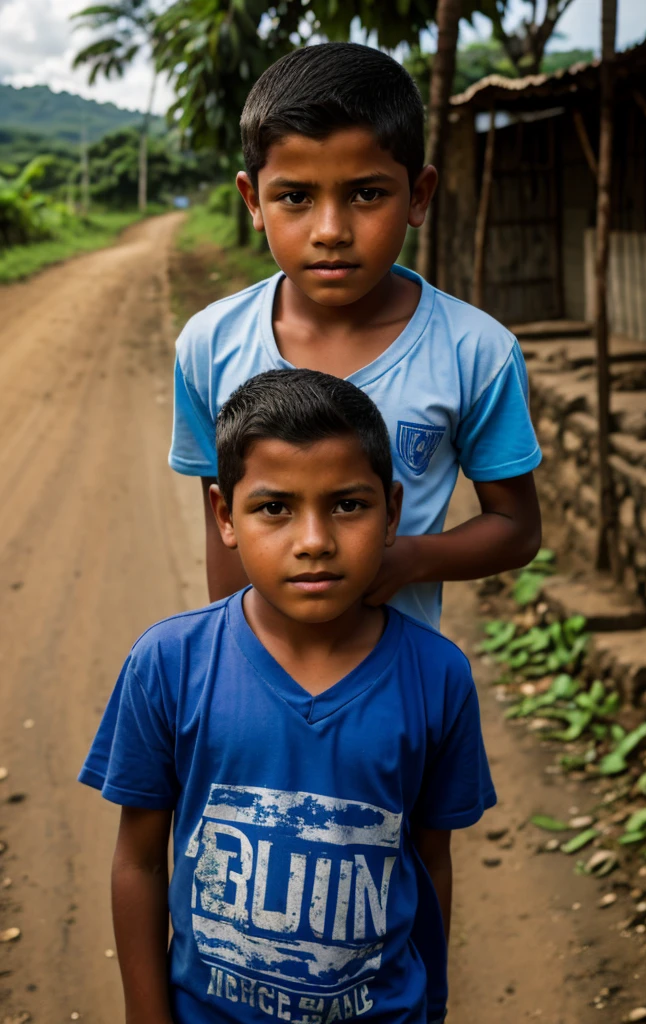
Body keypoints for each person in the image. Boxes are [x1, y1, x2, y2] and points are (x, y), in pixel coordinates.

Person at [80, 369, 496, 1024]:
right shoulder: (168, 663)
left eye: (348, 505)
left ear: (392, 512)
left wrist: (433, 1006)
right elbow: (138, 863)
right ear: (225, 516)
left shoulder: (437, 676)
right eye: (275, 508)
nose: (313, 541)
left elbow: (430, 859)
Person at [169, 42, 542, 632]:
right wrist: (227, 657)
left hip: (399, 691)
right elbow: (226, 529)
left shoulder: (475, 351)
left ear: (418, 195)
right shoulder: (209, 345)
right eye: (295, 197)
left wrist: (406, 560)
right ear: (253, 201)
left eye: (367, 194)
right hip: (260, 689)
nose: (330, 231)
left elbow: (517, 528)